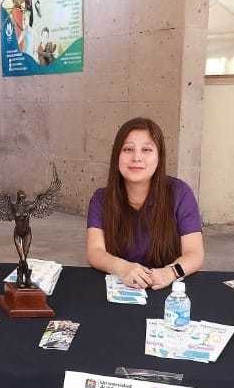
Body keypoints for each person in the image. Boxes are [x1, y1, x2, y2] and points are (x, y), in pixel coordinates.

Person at [86, 117, 205, 290]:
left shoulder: (180, 193)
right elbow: (95, 252)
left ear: (159, 157)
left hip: (167, 290)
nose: (136, 157)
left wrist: (170, 272)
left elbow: (195, 253)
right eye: (128, 149)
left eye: (146, 149)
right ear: (116, 155)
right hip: (120, 286)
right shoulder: (101, 199)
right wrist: (123, 268)